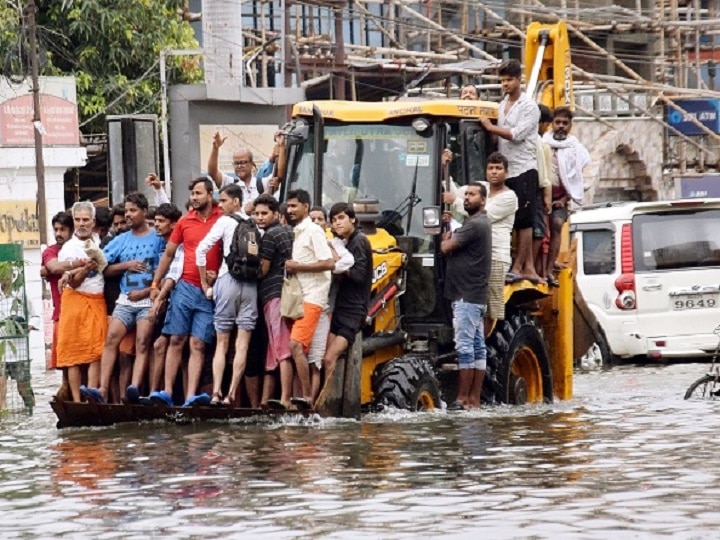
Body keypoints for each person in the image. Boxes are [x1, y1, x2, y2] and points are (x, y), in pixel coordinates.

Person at [81, 193, 165, 404]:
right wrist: (125, 265)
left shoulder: (158, 238)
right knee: (111, 340)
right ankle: (102, 388)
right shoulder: (120, 240)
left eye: (133, 210)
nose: (128, 215)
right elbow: (103, 268)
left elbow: (165, 271)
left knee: (143, 342)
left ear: (144, 212)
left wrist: (146, 292)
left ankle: (134, 388)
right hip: (125, 300)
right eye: (127, 210)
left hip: (148, 299)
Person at [149, 178, 223, 406]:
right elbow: (169, 254)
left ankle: (191, 396)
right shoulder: (184, 221)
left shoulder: (223, 219)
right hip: (184, 286)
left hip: (210, 291)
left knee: (198, 344)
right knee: (176, 340)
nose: (194, 197)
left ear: (210, 195)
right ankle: (168, 393)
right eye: (192, 193)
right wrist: (156, 283)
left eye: (199, 193)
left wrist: (218, 274)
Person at [480, 59, 544, 285]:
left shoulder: (529, 107)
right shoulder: (502, 104)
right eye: (502, 81)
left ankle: (520, 266)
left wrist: (490, 127)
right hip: (508, 169)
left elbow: (515, 134)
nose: (505, 85)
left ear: (519, 80)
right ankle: (517, 264)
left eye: (509, 80)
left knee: (524, 222)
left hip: (524, 168)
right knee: (510, 218)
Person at [196, 183, 259, 406]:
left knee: (222, 343)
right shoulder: (253, 224)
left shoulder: (223, 221)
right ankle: (232, 393)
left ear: (235, 201)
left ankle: (216, 392)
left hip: (227, 281)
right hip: (250, 285)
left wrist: (205, 284)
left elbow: (201, 250)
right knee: (242, 344)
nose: (219, 205)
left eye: (223, 201)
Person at [440, 182, 492, 410]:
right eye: (466, 194)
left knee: (465, 346)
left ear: (483, 200)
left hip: (466, 297)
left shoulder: (475, 225)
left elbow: (445, 248)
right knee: (478, 346)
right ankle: (474, 400)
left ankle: (462, 399)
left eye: (472, 195)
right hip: (475, 296)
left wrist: (445, 237)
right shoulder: (476, 223)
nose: (468, 198)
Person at [284, 189, 334, 408]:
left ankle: (306, 398)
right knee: (299, 350)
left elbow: (329, 263)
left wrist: (298, 266)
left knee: (295, 345)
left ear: (306, 206)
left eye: (294, 206)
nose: (290, 210)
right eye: (288, 206)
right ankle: (301, 399)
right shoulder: (294, 231)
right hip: (297, 296)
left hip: (313, 296)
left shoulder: (313, 230)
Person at [56, 201, 108, 403]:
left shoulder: (99, 240)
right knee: (73, 354)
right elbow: (75, 284)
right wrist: (84, 269)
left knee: (96, 351)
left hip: (97, 300)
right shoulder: (69, 247)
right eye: (77, 220)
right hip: (75, 301)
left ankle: (92, 394)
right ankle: (77, 400)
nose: (81, 224)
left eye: (85, 220)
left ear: (93, 221)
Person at [320, 203, 373, 390]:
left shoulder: (359, 241)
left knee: (329, 358)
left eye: (341, 218)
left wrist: (338, 264)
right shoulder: (344, 242)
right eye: (333, 220)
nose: (337, 223)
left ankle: (327, 402)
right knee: (324, 355)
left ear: (352, 219)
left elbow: (359, 275)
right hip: (341, 308)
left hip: (354, 311)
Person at [253, 194, 294, 409]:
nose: (259, 218)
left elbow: (264, 269)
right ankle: (264, 401)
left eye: (264, 213)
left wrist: (249, 271)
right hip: (288, 294)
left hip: (273, 295)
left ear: (276, 214)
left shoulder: (269, 235)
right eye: (256, 213)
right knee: (274, 349)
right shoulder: (290, 231)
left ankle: (285, 399)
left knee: (281, 348)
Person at [542, 106, 590, 286]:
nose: (561, 126)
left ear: (570, 125)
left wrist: (563, 200)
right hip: (541, 197)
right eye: (557, 122)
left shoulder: (575, 148)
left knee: (555, 224)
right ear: (551, 124)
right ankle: (542, 267)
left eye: (565, 123)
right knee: (539, 230)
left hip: (560, 200)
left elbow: (576, 179)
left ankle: (548, 271)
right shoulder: (543, 143)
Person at [146, 202, 184, 398]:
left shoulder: (182, 246)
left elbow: (174, 274)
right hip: (165, 299)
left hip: (177, 299)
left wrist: (159, 293)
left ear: (173, 224)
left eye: (161, 221)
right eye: (155, 221)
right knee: (158, 345)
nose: (157, 225)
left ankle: (163, 393)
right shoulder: (160, 243)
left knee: (163, 345)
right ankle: (155, 392)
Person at [483, 153, 518, 332]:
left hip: (496, 256)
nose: (494, 172)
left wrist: (457, 202)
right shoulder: (481, 188)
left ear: (506, 172)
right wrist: (444, 166)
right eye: (491, 168)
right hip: (476, 255)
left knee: (492, 308)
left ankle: (481, 349)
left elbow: (483, 215)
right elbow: (451, 189)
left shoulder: (509, 197)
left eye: (498, 168)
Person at [207, 132, 279, 215]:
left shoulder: (262, 183)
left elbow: (278, 175)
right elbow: (212, 171)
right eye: (236, 163)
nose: (239, 166)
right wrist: (215, 149)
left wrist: (280, 146)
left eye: (243, 162)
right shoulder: (230, 184)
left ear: (252, 164)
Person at [40, 211, 74, 383]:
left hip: (83, 312)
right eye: (56, 229)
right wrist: (81, 263)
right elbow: (53, 267)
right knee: (65, 365)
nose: (59, 233)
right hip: (61, 314)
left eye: (63, 229)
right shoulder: (50, 251)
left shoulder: (82, 246)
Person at [0, 269, 39, 411]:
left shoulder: (21, 295)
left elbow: (35, 316)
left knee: (24, 388)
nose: (5, 278)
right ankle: (3, 417)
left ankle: (32, 410)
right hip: (2, 351)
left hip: (19, 351)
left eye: (8, 275)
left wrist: (29, 326)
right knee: (1, 387)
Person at [533, 104, 554, 271]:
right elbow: (544, 175)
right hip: (537, 192)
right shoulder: (539, 142)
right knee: (539, 232)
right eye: (546, 125)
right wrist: (548, 197)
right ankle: (535, 268)